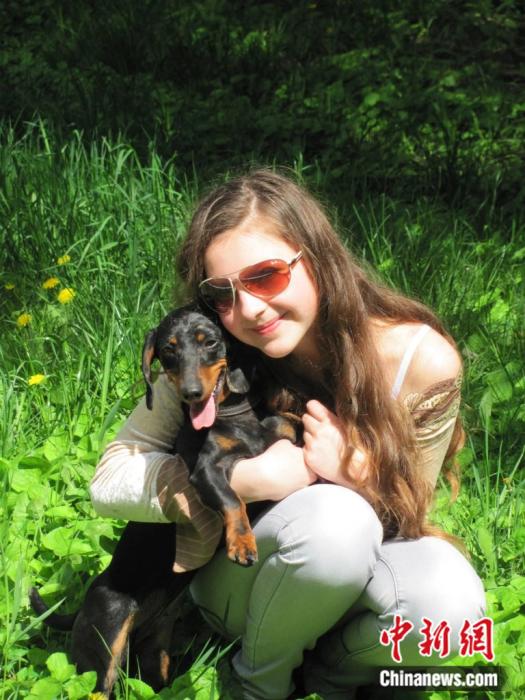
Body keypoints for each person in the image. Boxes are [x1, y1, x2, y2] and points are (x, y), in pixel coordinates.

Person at [90, 169, 486, 699]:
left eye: (267, 275)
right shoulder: (211, 351)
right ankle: (257, 684)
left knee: (451, 603)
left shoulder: (419, 359)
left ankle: (328, 676)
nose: (250, 308)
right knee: (336, 521)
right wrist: (247, 480)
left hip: (353, 567)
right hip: (244, 578)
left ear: (317, 257)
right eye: (222, 293)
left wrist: (355, 474)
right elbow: (108, 480)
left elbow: (412, 512)